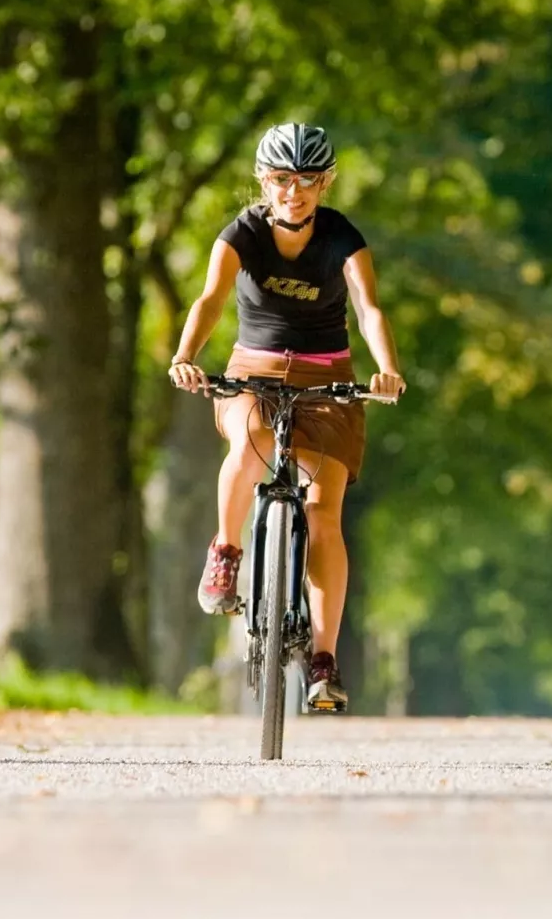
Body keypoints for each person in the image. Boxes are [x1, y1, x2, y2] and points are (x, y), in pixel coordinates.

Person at [169, 122, 405, 712]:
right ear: (263, 181)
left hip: (328, 379)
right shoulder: (242, 233)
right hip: (255, 369)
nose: (293, 192)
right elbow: (211, 299)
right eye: (280, 179)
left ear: (324, 184)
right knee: (248, 439)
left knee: (325, 510)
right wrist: (185, 356)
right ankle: (225, 553)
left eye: (306, 180)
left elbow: (367, 306)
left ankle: (323, 660)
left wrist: (387, 367)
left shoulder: (342, 237)